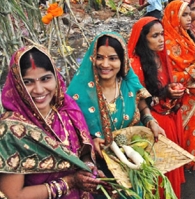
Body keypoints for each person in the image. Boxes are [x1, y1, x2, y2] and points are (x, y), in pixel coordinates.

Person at [0, 46, 110, 198]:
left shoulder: (67, 109)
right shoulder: (12, 131)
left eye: (45, 78)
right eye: (28, 82)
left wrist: (89, 170)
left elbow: (83, 153)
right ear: (17, 83)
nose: (39, 90)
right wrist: (70, 182)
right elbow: (14, 195)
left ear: (56, 77)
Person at [66, 32, 164, 165]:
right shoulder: (79, 92)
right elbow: (70, 130)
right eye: (99, 57)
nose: (105, 64)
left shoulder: (128, 84)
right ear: (92, 58)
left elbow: (142, 104)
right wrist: (90, 141)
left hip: (133, 155)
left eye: (112, 58)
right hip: (98, 164)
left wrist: (150, 120)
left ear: (122, 60)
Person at [128, 17, 185, 198]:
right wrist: (163, 94)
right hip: (152, 123)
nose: (161, 39)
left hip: (168, 116)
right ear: (143, 38)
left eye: (162, 34)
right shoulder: (135, 65)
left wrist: (171, 92)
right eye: (155, 36)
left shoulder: (159, 57)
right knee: (159, 172)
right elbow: (138, 101)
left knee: (169, 167)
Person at [162, 0, 195, 168]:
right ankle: (183, 165)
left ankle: (192, 161)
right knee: (184, 131)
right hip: (184, 96)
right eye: (184, 15)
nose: (190, 18)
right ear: (174, 16)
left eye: (190, 14)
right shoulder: (167, 42)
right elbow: (168, 76)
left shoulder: (185, 36)